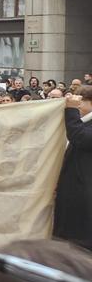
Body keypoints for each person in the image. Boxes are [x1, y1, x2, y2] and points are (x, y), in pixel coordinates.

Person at [53, 86, 92, 250]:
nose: (78, 105)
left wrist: (70, 111)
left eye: (81, 101)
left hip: (84, 192)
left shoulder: (80, 124)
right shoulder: (83, 123)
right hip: (74, 188)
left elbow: (81, 138)